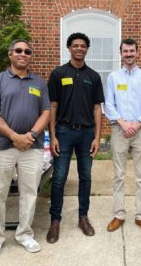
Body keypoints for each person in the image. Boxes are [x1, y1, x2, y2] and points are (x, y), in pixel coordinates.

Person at [0, 39, 50, 258]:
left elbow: (46, 113)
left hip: (32, 147)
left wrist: (30, 136)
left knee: (29, 193)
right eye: (19, 50)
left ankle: (24, 234)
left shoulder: (39, 83)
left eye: (27, 51)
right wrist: (14, 136)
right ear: (10, 54)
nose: (23, 54)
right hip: (1, 146)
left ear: (31, 56)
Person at [46, 32, 104, 243]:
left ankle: (83, 217)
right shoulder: (58, 73)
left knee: (85, 177)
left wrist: (97, 138)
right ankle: (55, 221)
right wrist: (52, 136)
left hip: (87, 133)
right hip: (63, 132)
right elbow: (52, 106)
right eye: (75, 45)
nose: (79, 48)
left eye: (83, 46)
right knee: (59, 178)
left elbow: (97, 108)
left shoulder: (93, 76)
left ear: (87, 49)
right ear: (69, 48)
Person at [104, 38, 141, 234]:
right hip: (119, 130)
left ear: (137, 52)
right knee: (118, 175)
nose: (129, 54)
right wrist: (123, 123)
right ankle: (119, 214)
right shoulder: (113, 77)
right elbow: (109, 104)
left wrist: (137, 124)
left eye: (132, 51)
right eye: (125, 51)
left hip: (139, 130)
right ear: (121, 53)